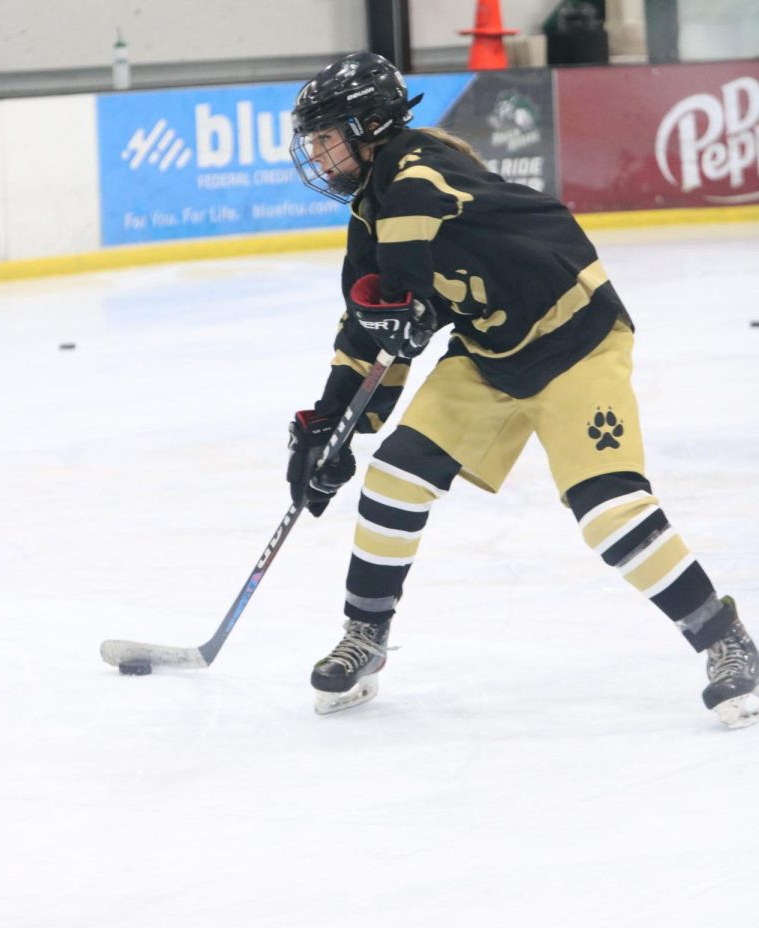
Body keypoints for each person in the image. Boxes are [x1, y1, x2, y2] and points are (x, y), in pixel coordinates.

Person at [286, 50, 758, 726]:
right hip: (490, 355)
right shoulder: (370, 213)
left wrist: (407, 292)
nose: (319, 154)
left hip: (576, 343)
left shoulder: (420, 165)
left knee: (608, 511)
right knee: (393, 477)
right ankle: (365, 635)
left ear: (369, 126)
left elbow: (415, 223)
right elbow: (366, 335)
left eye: (327, 136)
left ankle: (726, 639)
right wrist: (331, 427)